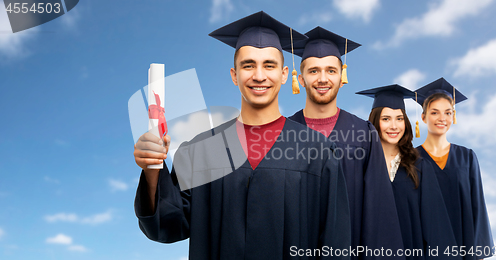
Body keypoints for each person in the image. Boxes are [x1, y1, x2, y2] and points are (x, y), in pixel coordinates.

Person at [133, 11, 351, 259]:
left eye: (269, 65)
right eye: (248, 65)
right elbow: (167, 226)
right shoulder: (201, 150)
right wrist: (152, 169)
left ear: (283, 74)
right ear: (234, 75)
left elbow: (336, 243)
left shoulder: (318, 153)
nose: (259, 75)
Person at [287, 27, 405, 259]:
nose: (322, 78)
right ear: (300, 79)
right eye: (313, 71)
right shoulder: (283, 133)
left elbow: (379, 211)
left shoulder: (364, 134)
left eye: (331, 70)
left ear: (342, 77)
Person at [357, 84, 459, 259]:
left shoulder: (419, 166)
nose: (394, 126)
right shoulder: (360, 165)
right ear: (374, 122)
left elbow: (436, 225)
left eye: (399, 118)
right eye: (386, 119)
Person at [414, 77, 494, 259]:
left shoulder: (467, 157)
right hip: (425, 251)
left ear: (453, 116)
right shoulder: (410, 159)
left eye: (448, 113)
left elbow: (478, 207)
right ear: (423, 117)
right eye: (435, 113)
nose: (442, 118)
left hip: (464, 249)